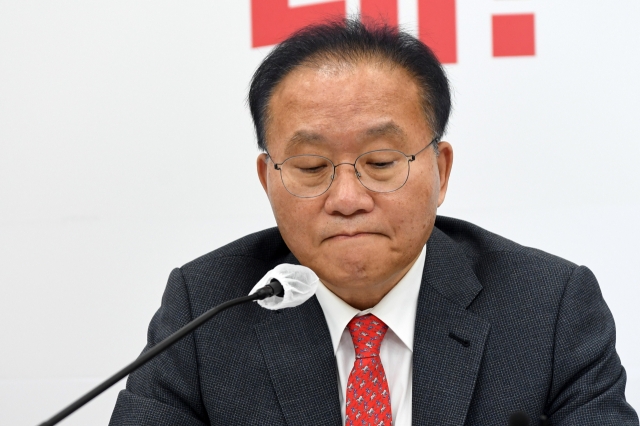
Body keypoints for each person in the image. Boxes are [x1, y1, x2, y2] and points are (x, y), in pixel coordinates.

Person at [110, 20, 638, 425]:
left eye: (381, 163)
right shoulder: (206, 308)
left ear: (441, 170)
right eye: (312, 168)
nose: (346, 198)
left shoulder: (548, 309)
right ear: (267, 177)